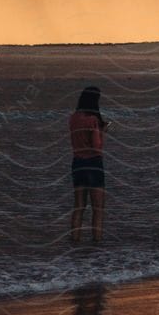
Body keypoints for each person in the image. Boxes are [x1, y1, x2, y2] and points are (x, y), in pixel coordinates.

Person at [69, 86, 109, 242]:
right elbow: (96, 146)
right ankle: (97, 243)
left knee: (79, 206)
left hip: (77, 163)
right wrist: (103, 132)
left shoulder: (73, 118)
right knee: (97, 208)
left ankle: (74, 240)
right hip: (93, 163)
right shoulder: (92, 120)